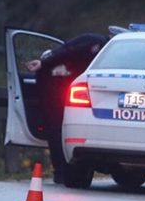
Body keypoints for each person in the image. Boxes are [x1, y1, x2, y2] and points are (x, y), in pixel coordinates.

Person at [26, 33, 109, 183]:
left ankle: (62, 171)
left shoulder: (96, 42)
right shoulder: (98, 45)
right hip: (53, 84)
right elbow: (69, 52)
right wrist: (43, 64)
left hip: (57, 82)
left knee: (57, 128)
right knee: (57, 128)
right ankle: (61, 172)